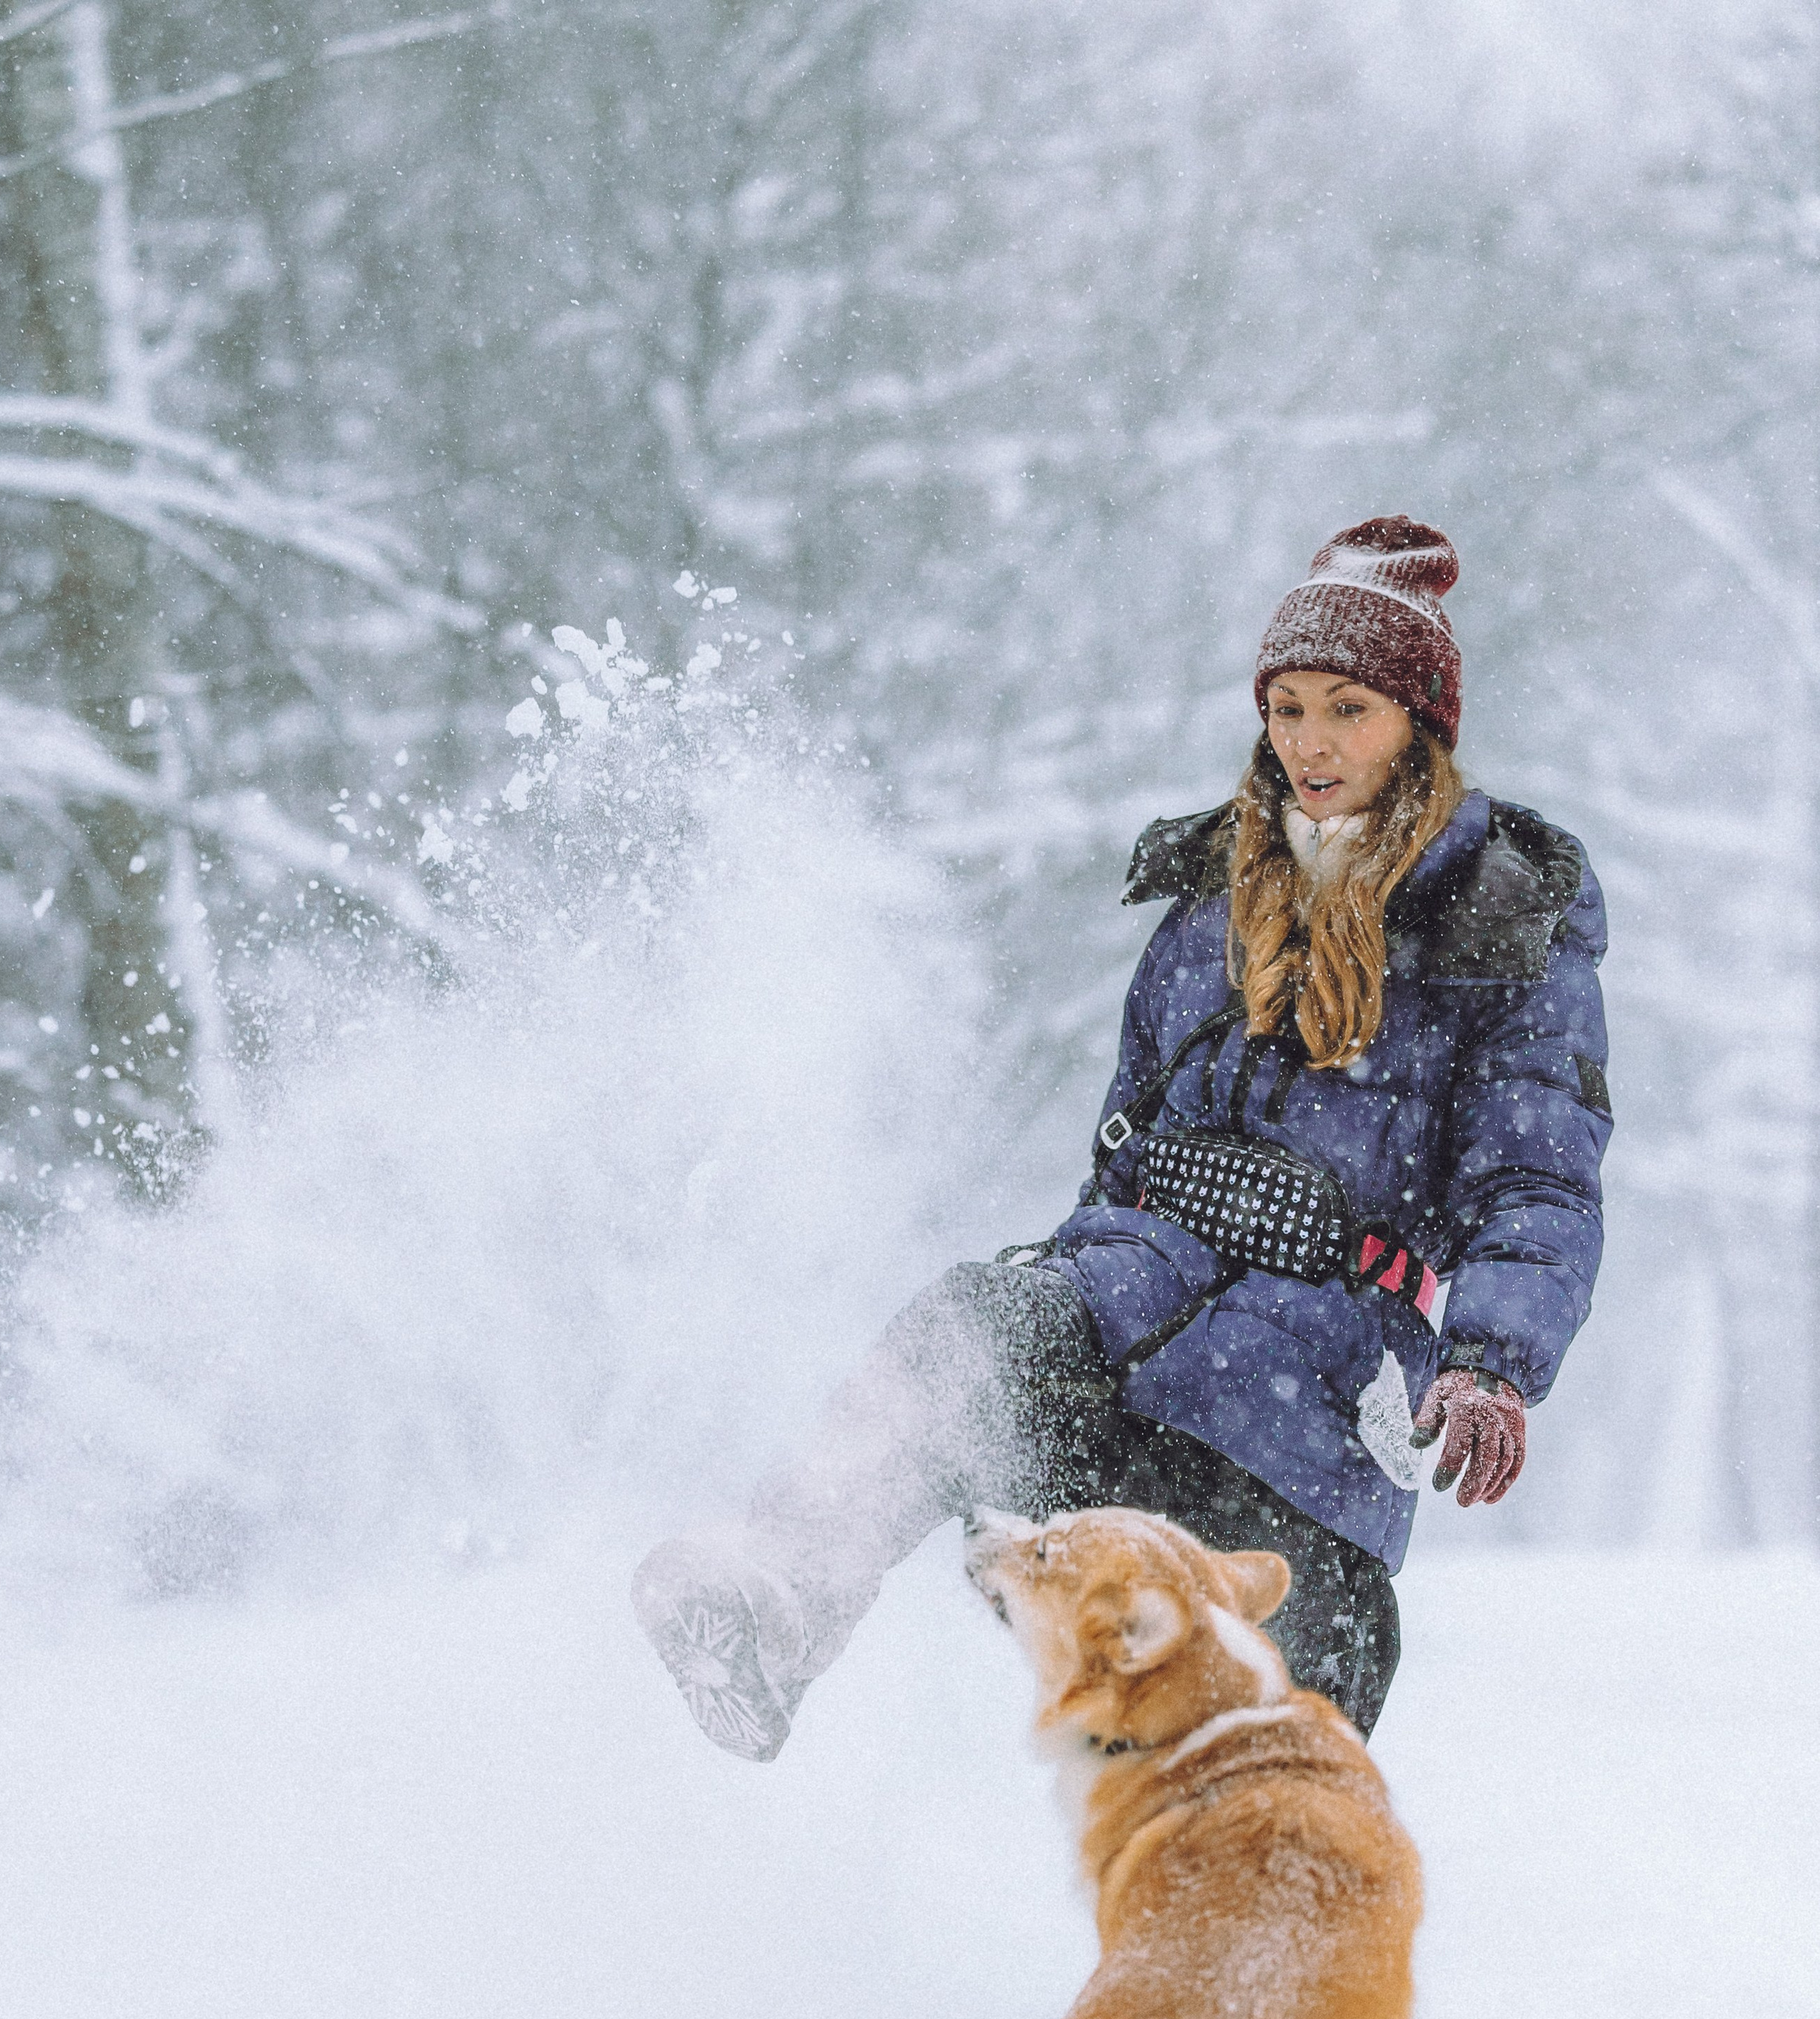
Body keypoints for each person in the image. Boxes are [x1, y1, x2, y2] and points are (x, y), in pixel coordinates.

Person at [634, 516, 1611, 1756]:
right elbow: (1130, 1135)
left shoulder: (1501, 925)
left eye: (1348, 708)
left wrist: (1493, 1360)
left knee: (1268, 1755)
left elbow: (1541, 1174)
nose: (1310, 744)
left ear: (1419, 720)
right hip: (1125, 1320)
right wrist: (1076, 1274)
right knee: (966, 1335)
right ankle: (778, 1599)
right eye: (1290, 706)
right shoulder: (1211, 895)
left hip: (1307, 1398)